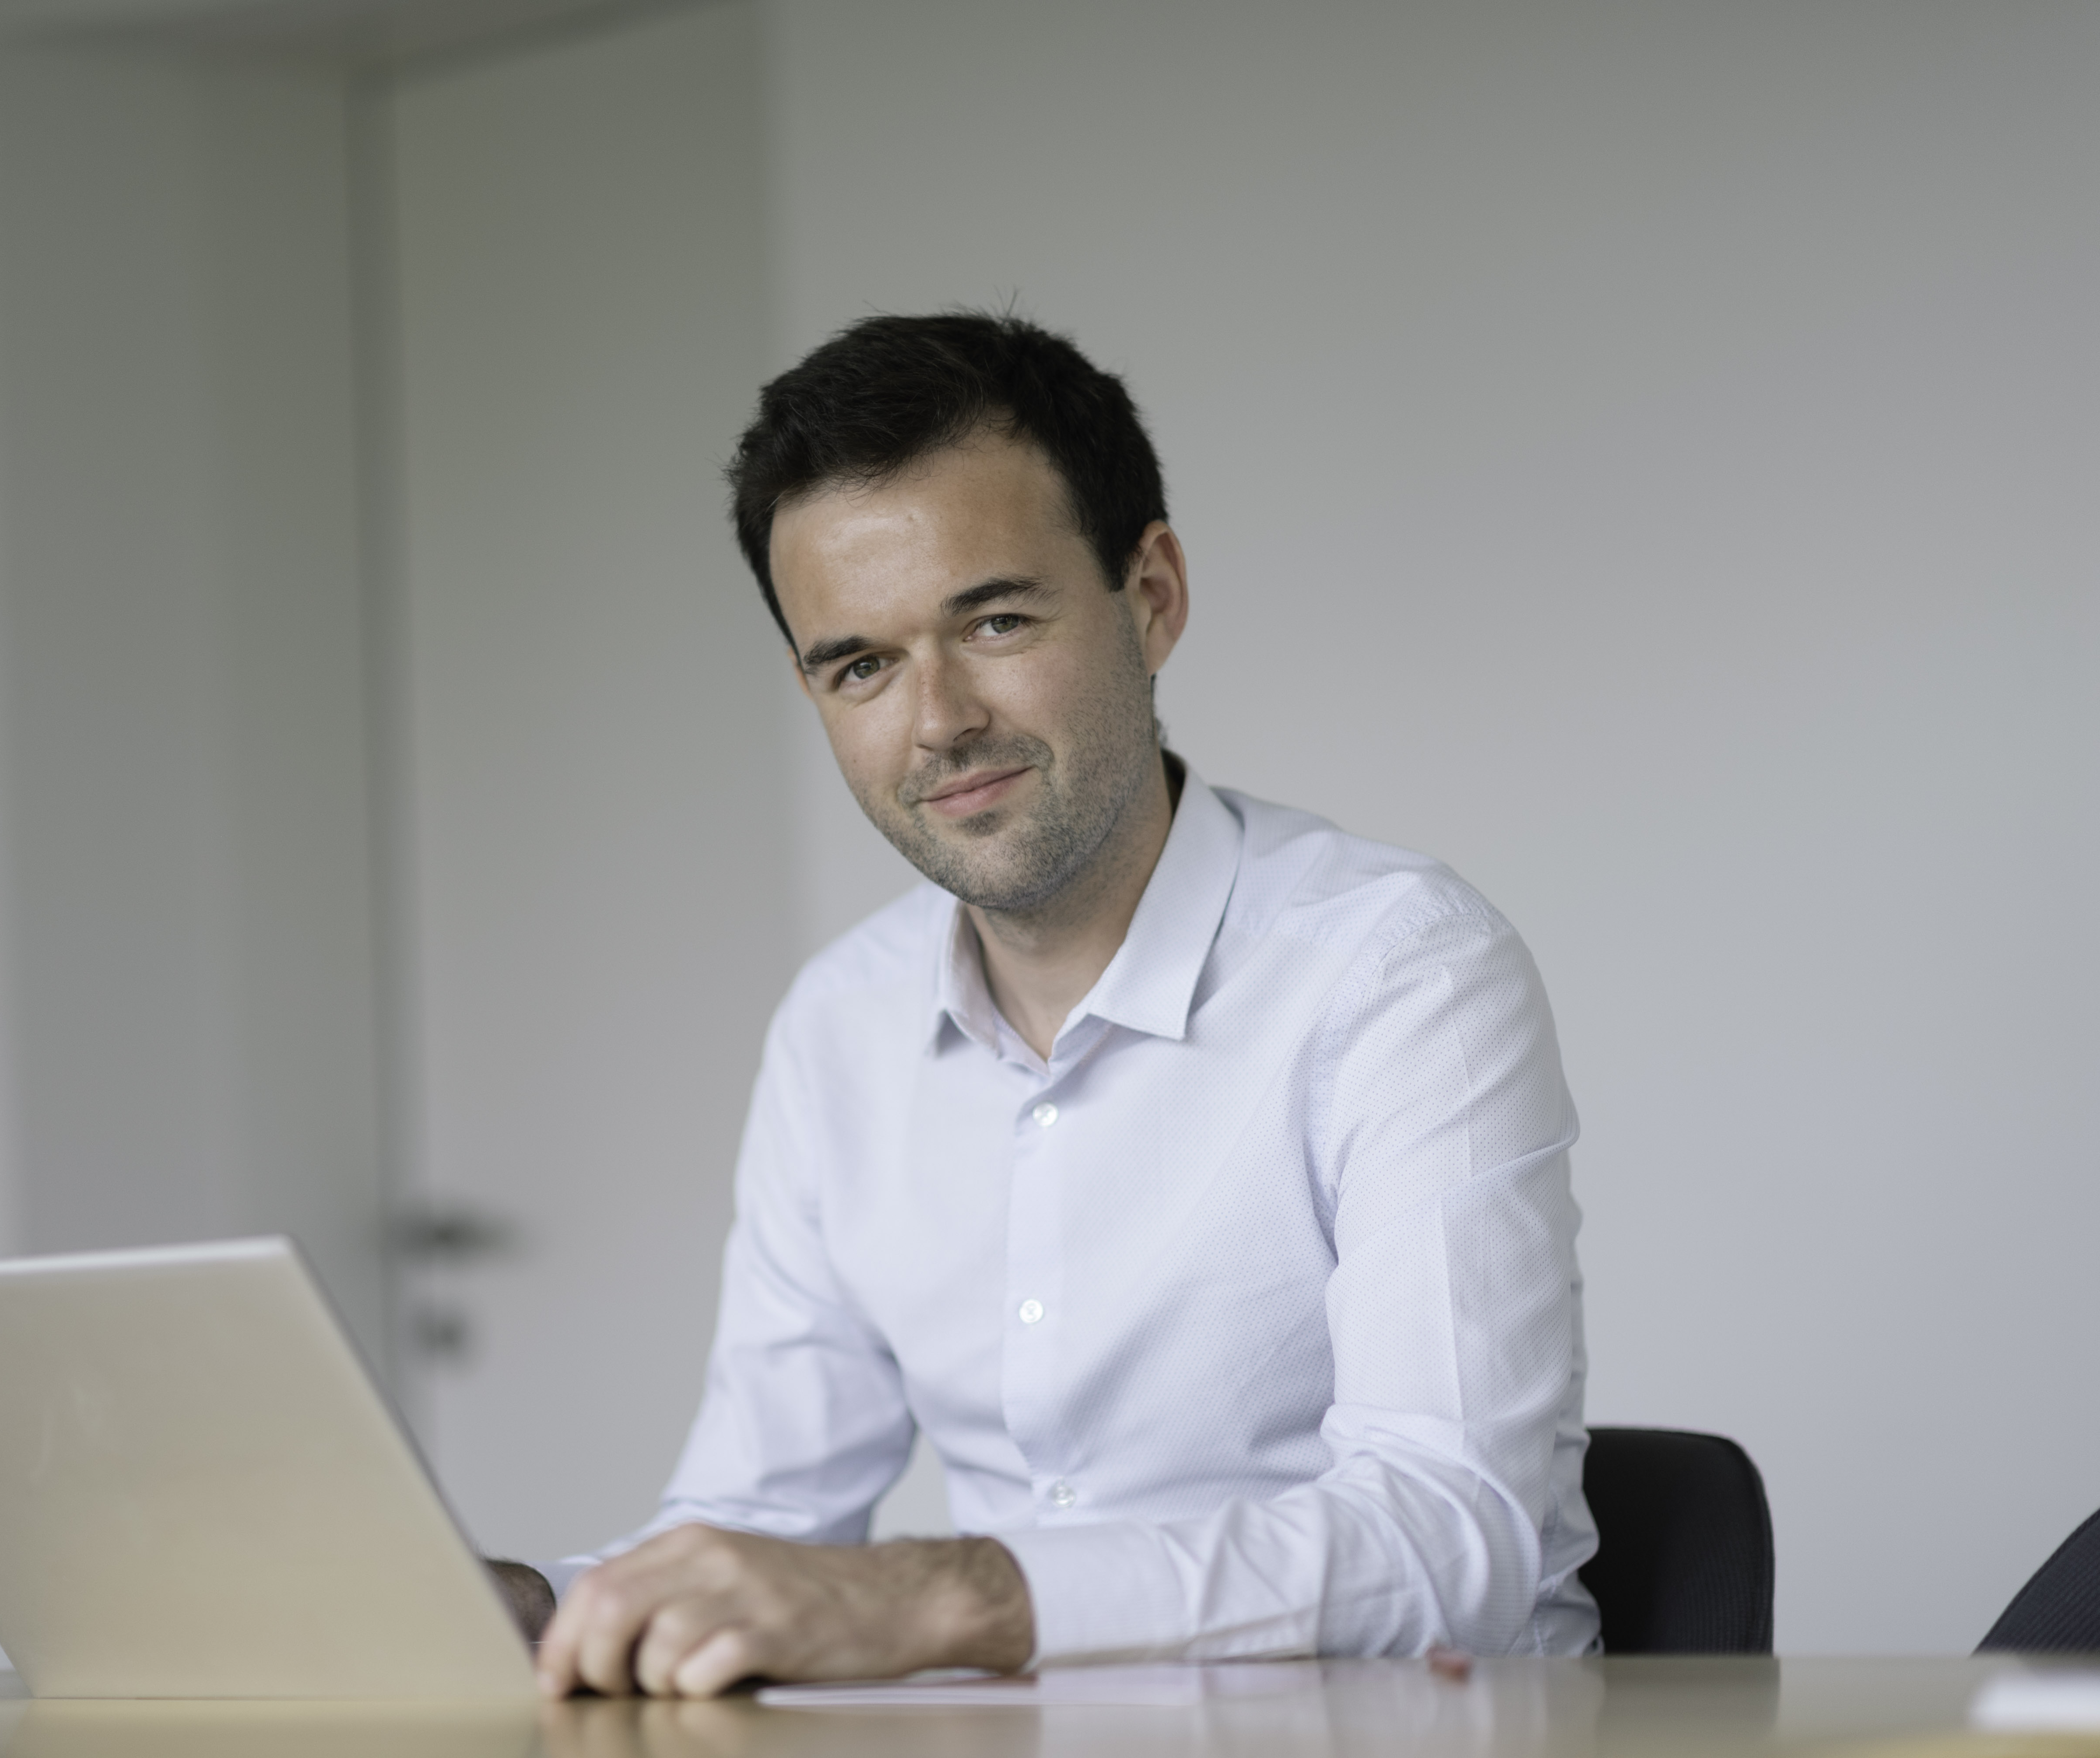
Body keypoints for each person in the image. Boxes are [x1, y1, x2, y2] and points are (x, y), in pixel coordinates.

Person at [488, 312, 1598, 1698]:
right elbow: (763, 1521)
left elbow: (1451, 1539)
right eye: (862, 665)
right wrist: (540, 1603)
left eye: (995, 620)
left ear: (1154, 596)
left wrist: (942, 1595)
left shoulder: (1398, 972)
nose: (939, 720)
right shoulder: (840, 1027)